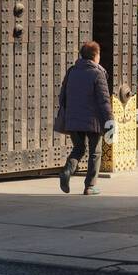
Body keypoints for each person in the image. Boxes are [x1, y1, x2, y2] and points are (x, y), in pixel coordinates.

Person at [55, 40, 114, 195]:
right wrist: (109, 120)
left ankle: (67, 170)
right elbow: (104, 101)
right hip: (93, 120)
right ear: (95, 56)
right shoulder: (97, 73)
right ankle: (90, 186)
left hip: (73, 119)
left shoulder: (72, 71)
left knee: (79, 148)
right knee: (95, 152)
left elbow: (62, 96)